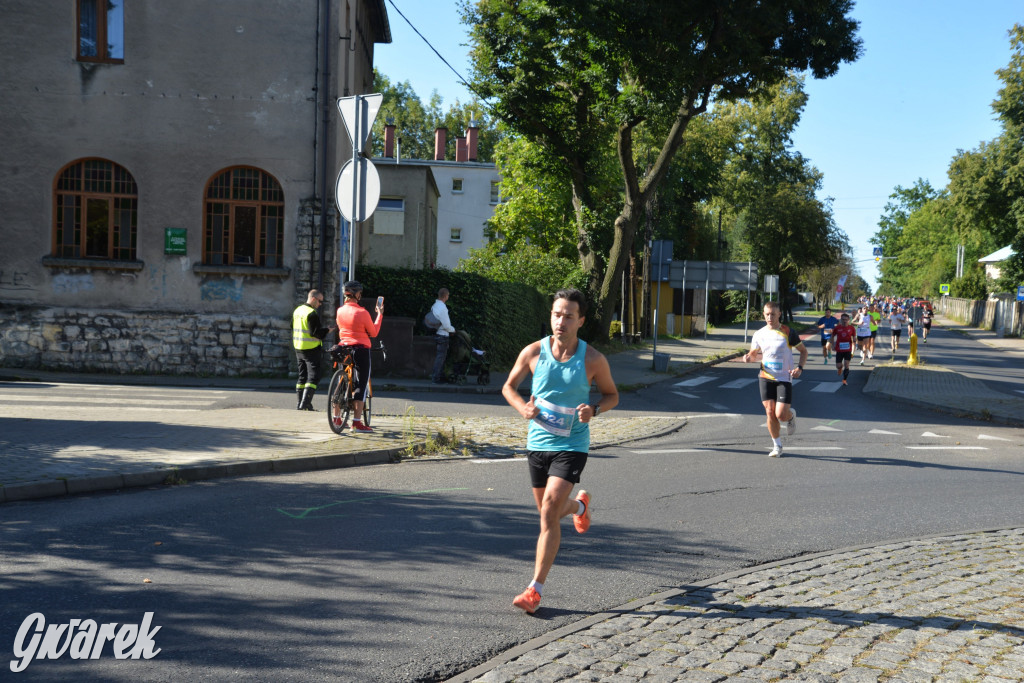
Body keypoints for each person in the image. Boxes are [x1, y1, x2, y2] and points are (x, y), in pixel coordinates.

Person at [502, 288, 618, 614]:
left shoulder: (593, 359)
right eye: (557, 314)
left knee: (549, 510)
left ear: (581, 321)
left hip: (572, 444)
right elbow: (508, 387)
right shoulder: (533, 352)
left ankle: (534, 591)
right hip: (538, 443)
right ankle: (580, 507)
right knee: (547, 513)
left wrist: (594, 410)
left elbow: (612, 395)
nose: (561, 321)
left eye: (568, 316)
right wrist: (522, 407)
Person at [743, 301, 808, 458]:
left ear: (779, 314)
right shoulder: (759, 334)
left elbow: (803, 351)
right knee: (770, 412)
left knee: (780, 414)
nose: (770, 317)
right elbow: (753, 354)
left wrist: (799, 368)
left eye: (773, 314)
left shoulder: (788, 332)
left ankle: (790, 416)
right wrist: (748, 358)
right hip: (765, 376)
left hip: (784, 377)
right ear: (763, 314)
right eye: (767, 314)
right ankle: (777, 446)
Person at [334, 281, 383, 433]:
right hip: (360, 349)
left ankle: (336, 418)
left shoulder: (340, 311)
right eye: (360, 293)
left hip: (343, 348)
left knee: (342, 380)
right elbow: (373, 332)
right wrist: (379, 314)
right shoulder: (362, 312)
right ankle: (356, 423)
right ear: (356, 294)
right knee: (361, 383)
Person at [292, 289, 333, 411]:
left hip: (299, 347)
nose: (320, 304)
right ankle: (305, 404)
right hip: (311, 348)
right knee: (314, 376)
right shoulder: (311, 313)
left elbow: (292, 326)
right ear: (313, 299)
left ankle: (300, 404)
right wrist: (327, 330)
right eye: (320, 301)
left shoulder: (298, 310)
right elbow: (315, 333)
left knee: (302, 376)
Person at [430, 288, 456, 384]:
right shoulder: (443, 308)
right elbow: (446, 325)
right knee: (441, 358)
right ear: (445, 296)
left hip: (436, 333)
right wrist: (453, 330)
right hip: (443, 335)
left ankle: (439, 376)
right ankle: (436, 378)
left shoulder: (434, 306)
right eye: (448, 295)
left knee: (440, 357)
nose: (448, 297)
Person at [832, 312, 856, 386]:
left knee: (847, 364)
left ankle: (844, 380)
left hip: (848, 350)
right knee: (838, 366)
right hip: (839, 350)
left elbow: (854, 336)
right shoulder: (837, 328)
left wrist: (854, 339)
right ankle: (840, 368)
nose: (844, 321)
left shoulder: (851, 328)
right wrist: (833, 345)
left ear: (848, 320)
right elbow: (832, 336)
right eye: (843, 319)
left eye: (846, 320)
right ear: (841, 320)